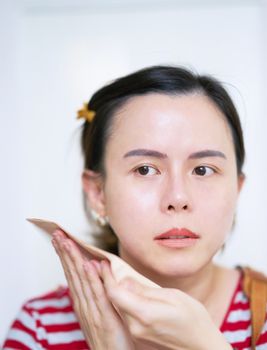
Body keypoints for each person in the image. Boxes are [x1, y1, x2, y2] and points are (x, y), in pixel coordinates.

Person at [3, 65, 267, 350]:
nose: (178, 198)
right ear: (97, 193)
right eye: (145, 169)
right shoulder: (40, 328)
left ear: (237, 189)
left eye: (203, 170)